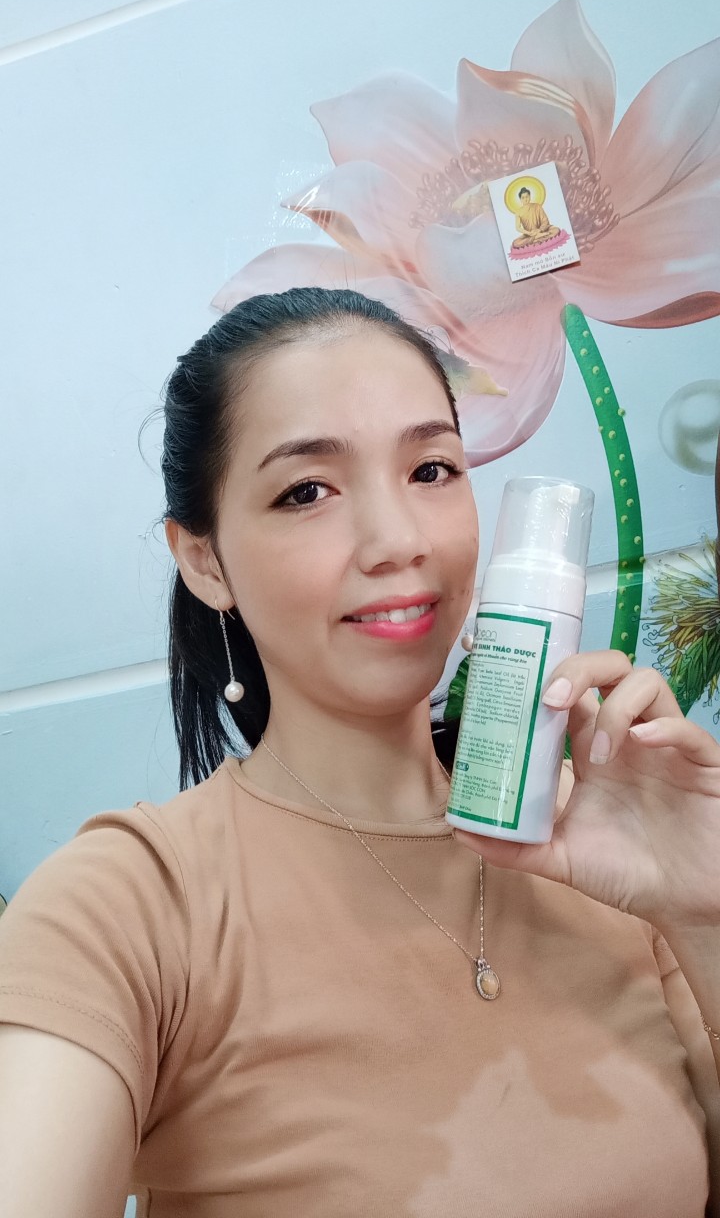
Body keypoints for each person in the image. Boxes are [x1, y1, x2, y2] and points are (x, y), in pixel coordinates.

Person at [0, 287, 719, 1218]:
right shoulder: (130, 908)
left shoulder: (610, 844)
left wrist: (699, 911)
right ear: (205, 560)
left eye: (432, 469)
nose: (398, 540)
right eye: (308, 491)